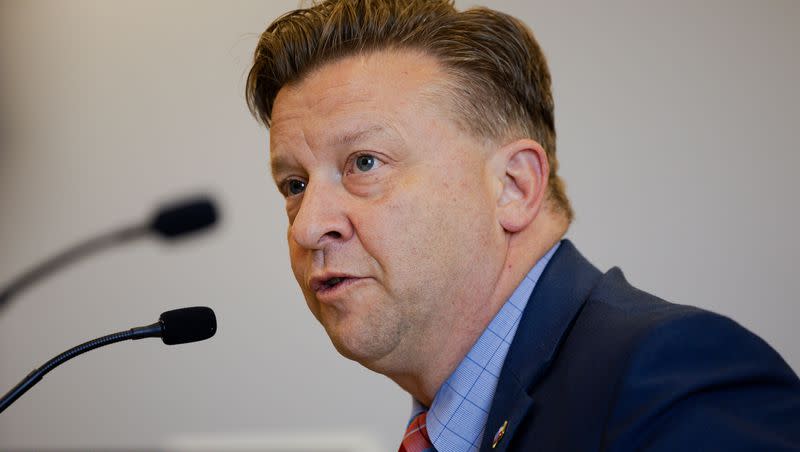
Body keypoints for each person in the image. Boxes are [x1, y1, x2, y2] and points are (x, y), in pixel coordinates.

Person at [245, 1, 800, 450]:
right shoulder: (454, 422)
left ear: (514, 187)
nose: (308, 226)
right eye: (294, 185)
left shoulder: (672, 382)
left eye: (364, 163)